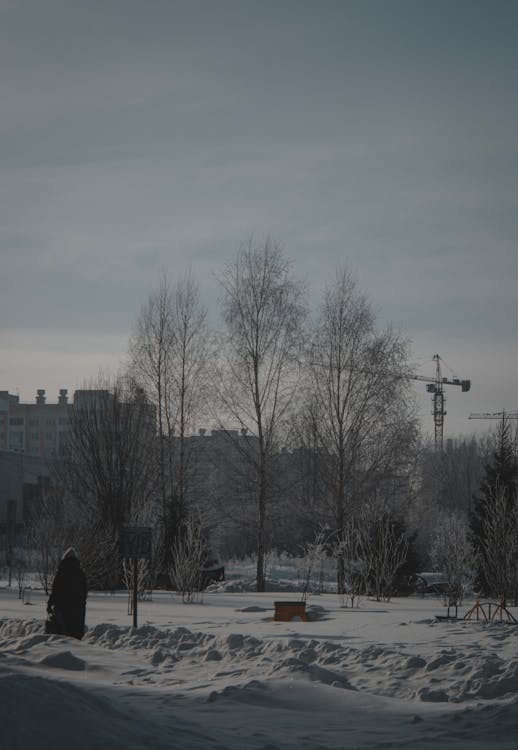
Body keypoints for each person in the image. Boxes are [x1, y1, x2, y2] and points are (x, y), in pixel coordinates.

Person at [47, 547, 87, 639]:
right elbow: (84, 593)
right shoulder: (80, 573)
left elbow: (55, 590)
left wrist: (49, 605)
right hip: (78, 610)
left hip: (62, 608)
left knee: (62, 634)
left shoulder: (62, 572)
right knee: (75, 635)